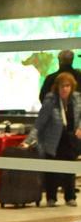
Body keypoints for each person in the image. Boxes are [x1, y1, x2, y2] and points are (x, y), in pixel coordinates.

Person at [25, 72, 81, 206]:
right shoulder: (51, 100)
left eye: (67, 86)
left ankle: (70, 197)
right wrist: (28, 141)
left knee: (69, 169)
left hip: (70, 139)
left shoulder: (77, 99)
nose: (65, 89)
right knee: (52, 170)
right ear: (57, 87)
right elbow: (40, 123)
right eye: (62, 86)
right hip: (53, 140)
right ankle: (51, 197)